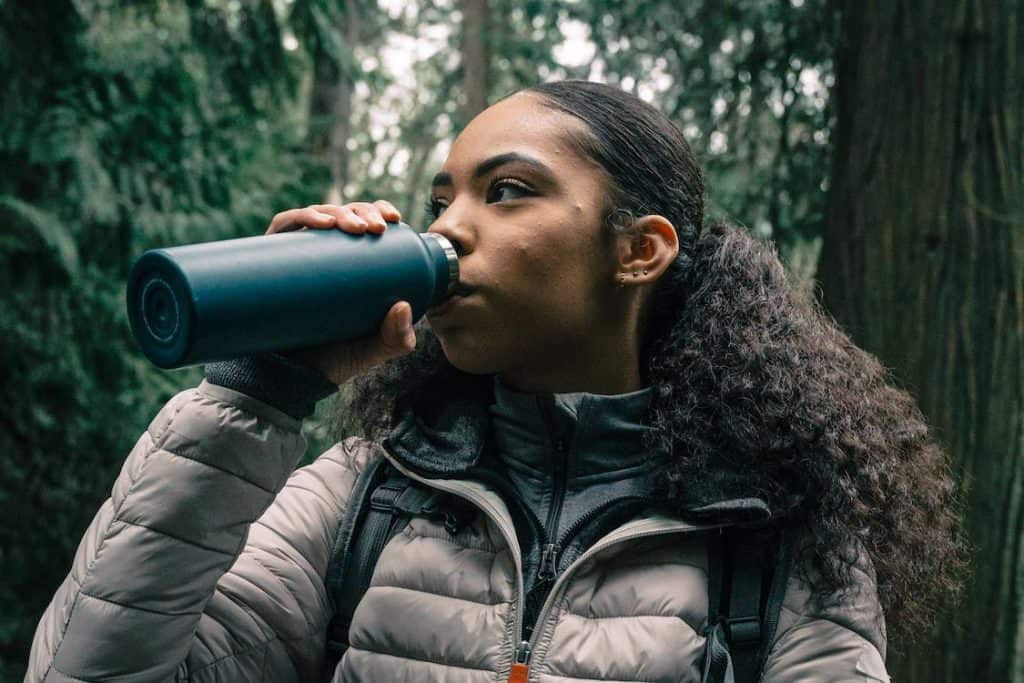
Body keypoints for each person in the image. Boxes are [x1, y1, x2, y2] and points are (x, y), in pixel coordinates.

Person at [24, 80, 963, 682]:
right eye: (442, 200)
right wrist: (258, 389)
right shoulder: (362, 496)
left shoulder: (777, 539)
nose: (449, 228)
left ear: (638, 251)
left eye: (506, 190)